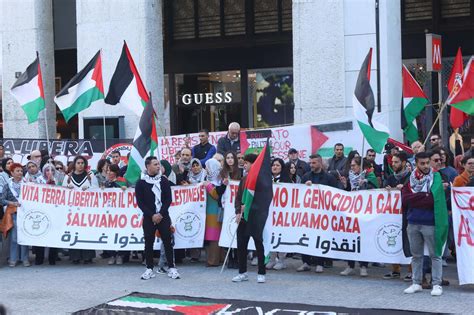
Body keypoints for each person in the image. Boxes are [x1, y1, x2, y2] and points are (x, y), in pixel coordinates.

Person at [402, 152, 446, 296]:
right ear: (416, 163)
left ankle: (437, 284)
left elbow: (432, 200)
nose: (426, 166)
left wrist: (417, 197)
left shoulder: (437, 177)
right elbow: (406, 199)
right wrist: (423, 196)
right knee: (416, 255)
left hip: (430, 223)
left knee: (435, 255)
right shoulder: (411, 179)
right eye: (422, 163)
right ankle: (416, 283)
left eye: (428, 162)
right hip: (413, 221)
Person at [135, 156, 180, 280]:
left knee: (167, 241)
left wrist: (160, 214)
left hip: (163, 215)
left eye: (158, 164)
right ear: (148, 166)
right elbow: (140, 202)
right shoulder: (141, 183)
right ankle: (149, 268)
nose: (158, 166)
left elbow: (168, 199)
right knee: (148, 242)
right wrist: (152, 215)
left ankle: (171, 267)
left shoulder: (163, 181)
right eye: (155, 164)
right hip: (149, 217)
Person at [296, 154, 339, 273]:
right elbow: (298, 193)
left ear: (320, 163)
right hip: (308, 213)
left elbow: (335, 194)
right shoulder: (306, 177)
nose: (311, 165)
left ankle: (320, 262)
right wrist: (306, 187)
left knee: (321, 237)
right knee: (305, 236)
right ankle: (305, 262)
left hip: (323, 213)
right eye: (310, 163)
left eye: (314, 163)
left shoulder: (329, 178)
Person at [339, 157, 377, 277]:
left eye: (354, 165)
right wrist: (345, 185)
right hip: (351, 211)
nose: (352, 168)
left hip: (364, 212)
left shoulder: (370, 176)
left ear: (360, 166)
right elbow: (348, 192)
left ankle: (363, 265)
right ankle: (350, 265)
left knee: (362, 239)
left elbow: (375, 190)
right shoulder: (351, 176)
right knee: (350, 238)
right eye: (351, 166)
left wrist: (365, 183)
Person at [232, 153, 267, 283]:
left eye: (246, 163)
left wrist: (251, 207)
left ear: (253, 164)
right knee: (241, 245)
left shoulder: (261, 180)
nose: (244, 165)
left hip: (255, 217)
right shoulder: (243, 179)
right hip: (243, 217)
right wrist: (237, 211)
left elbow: (263, 199)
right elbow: (238, 197)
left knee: (258, 244)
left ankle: (261, 272)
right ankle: (242, 272)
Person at [382, 152, 412, 281]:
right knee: (393, 239)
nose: (393, 164)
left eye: (396, 162)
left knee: (409, 241)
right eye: (392, 162)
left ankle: (412, 270)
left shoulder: (412, 177)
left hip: (408, 213)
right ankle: (395, 269)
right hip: (393, 215)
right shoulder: (390, 178)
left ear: (404, 163)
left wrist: (404, 189)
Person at [63, 156, 98, 264]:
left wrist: (89, 189)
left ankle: (88, 256)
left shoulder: (91, 176)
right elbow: (62, 193)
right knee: (74, 232)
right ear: (75, 164)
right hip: (72, 211)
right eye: (78, 163)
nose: (80, 165)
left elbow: (97, 191)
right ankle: (75, 256)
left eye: (82, 163)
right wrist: (67, 190)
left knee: (87, 233)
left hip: (87, 210)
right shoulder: (68, 177)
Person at [1, 163, 29, 267]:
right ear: (11, 173)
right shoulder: (7, 185)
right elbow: (2, 200)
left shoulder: (28, 184)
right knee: (14, 237)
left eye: (21, 171)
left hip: (25, 213)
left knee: (25, 235)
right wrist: (12, 203)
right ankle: (14, 258)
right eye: (17, 171)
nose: (20, 173)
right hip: (13, 213)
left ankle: (25, 258)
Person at [266, 158, 291, 270]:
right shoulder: (266, 178)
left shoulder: (287, 181)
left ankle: (281, 260)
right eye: (273, 165)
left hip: (282, 213)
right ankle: (272, 259)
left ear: (282, 167)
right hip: (269, 212)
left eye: (277, 165)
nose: (274, 167)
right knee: (269, 235)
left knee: (281, 235)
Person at [33, 164, 59, 265]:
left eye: (52, 170)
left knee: (53, 234)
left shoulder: (56, 180)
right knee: (40, 234)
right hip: (41, 211)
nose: (49, 172)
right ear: (44, 172)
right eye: (47, 170)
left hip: (54, 211)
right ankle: (39, 258)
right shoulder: (39, 180)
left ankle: (52, 258)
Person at [219, 152, 241, 268]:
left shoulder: (241, 172)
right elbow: (219, 192)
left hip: (237, 205)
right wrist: (224, 184)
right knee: (227, 230)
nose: (230, 160)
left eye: (232, 157)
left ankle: (238, 257)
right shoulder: (222, 173)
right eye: (227, 158)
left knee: (238, 231)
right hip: (226, 206)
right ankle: (230, 258)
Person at [104, 164, 129, 265]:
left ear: (116, 172)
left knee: (121, 233)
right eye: (108, 171)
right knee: (110, 234)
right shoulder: (105, 183)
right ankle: (112, 254)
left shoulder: (122, 180)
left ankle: (120, 255)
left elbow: (127, 192)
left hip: (121, 212)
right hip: (110, 213)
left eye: (111, 171)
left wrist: (122, 188)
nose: (109, 173)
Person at [204, 158, 224, 266]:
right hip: (212, 211)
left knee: (214, 236)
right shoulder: (213, 181)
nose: (206, 169)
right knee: (216, 235)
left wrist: (207, 185)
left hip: (214, 211)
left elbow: (216, 195)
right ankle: (219, 258)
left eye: (208, 167)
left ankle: (213, 261)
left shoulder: (215, 183)